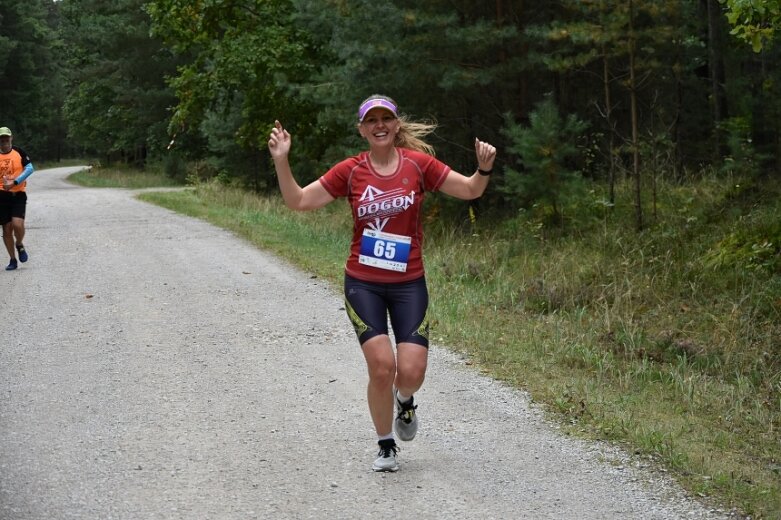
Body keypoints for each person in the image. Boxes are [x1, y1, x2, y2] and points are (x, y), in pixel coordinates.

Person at [267, 95, 496, 472]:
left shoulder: (418, 166)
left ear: (395, 124)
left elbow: (470, 190)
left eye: (385, 118)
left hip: (409, 284)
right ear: (362, 129)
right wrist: (282, 160)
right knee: (381, 366)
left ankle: (404, 401)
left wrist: (483, 169)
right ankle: (385, 443)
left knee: (411, 372)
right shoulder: (351, 171)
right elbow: (299, 201)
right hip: (364, 283)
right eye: (370, 120)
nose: (379, 125)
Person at [0, 126, 35, 271]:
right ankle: (12, 260)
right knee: (7, 229)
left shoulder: (18, 152)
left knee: (17, 225)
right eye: (1, 139)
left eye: (6, 138)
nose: (4, 141)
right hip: (1, 196)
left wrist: (14, 182)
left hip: (18, 194)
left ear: (11, 138)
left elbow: (30, 168)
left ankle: (19, 243)